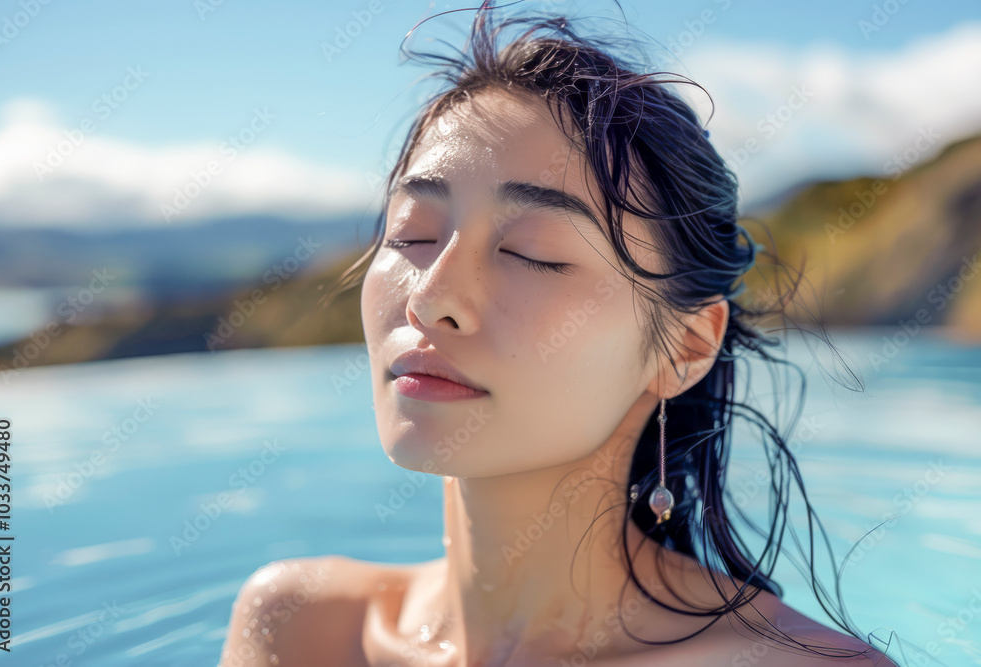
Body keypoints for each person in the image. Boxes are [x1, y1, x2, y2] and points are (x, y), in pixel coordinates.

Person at [220, 3, 903, 665]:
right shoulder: (299, 627)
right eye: (413, 234)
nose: (429, 299)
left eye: (534, 252)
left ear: (686, 345)